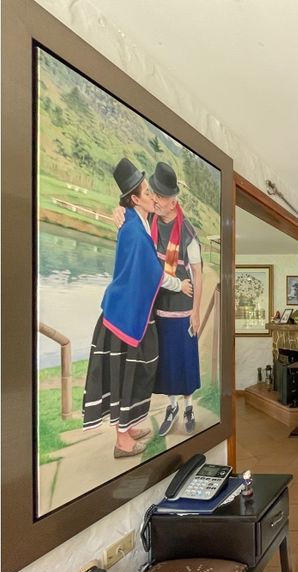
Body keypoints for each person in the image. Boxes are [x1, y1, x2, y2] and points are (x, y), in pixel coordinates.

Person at [82, 158, 192, 458]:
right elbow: (152, 273)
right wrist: (180, 285)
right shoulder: (133, 228)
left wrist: (119, 210)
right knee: (126, 374)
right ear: (134, 199)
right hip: (125, 316)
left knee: (140, 370)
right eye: (147, 192)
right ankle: (122, 440)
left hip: (133, 313)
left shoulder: (139, 219)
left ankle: (127, 426)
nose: (153, 196)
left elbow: (166, 217)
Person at [114, 162, 203, 436]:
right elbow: (129, 211)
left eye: (160, 196)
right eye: (152, 193)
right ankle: (172, 406)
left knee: (184, 360)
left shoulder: (187, 234)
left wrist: (196, 311)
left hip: (182, 308)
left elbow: (198, 274)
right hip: (158, 306)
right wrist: (118, 210)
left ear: (173, 201)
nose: (155, 199)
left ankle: (188, 406)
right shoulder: (149, 219)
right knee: (166, 362)